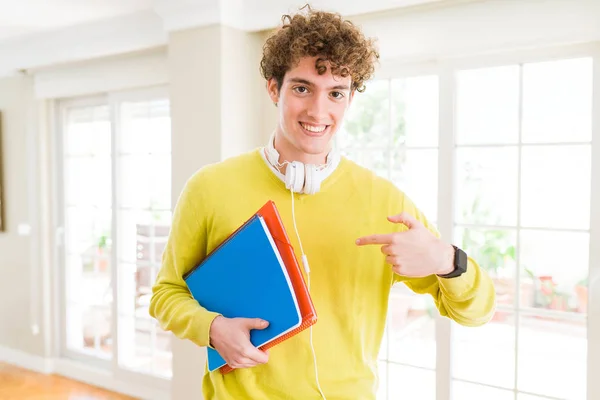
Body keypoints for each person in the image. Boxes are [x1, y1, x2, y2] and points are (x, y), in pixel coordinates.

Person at [149, 5, 496, 400]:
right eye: (301, 88)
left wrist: (447, 260)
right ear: (273, 88)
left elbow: (477, 311)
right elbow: (166, 295)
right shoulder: (210, 188)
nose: (318, 111)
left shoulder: (384, 201)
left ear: (349, 99)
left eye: (335, 93)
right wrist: (210, 327)